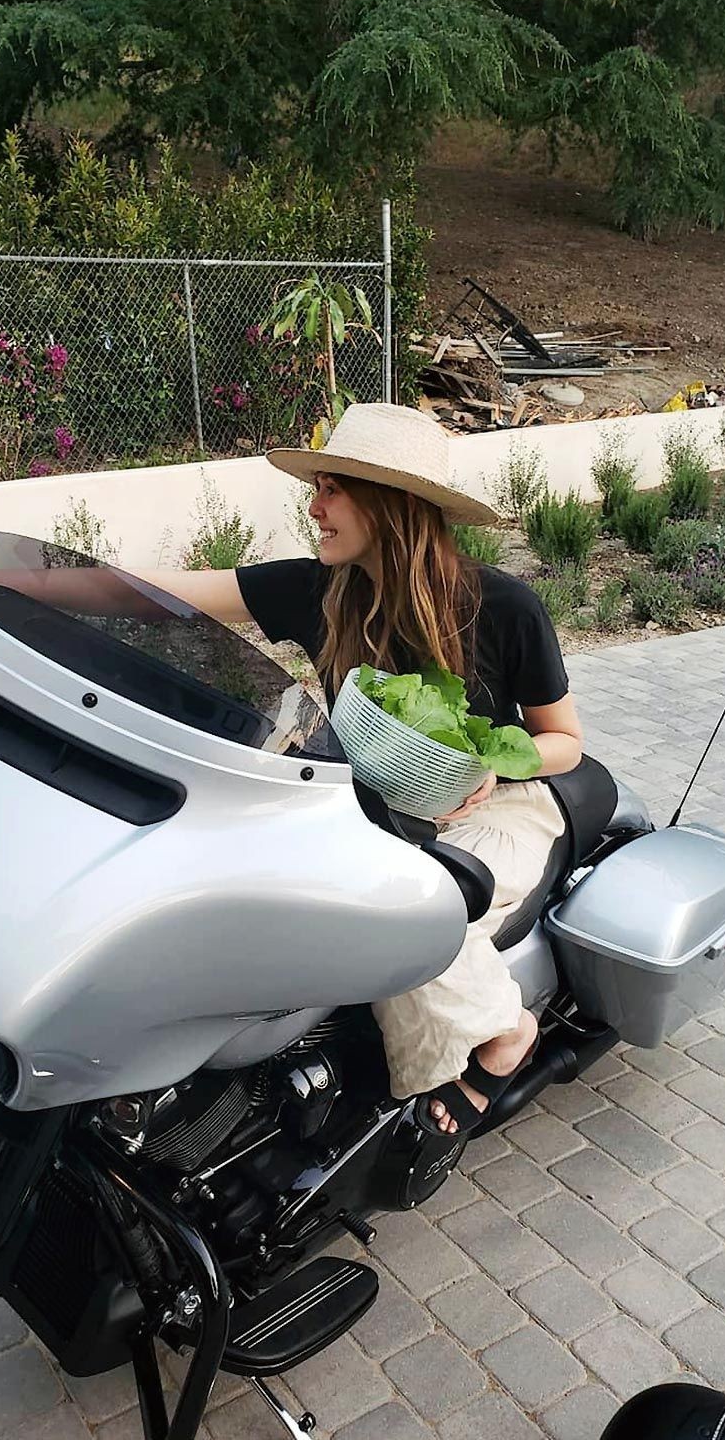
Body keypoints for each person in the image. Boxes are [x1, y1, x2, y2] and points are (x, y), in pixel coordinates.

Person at [140, 402, 584, 1136]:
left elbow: (564, 741)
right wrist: (24, 578)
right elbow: (171, 593)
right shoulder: (319, 590)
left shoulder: (504, 606)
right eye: (316, 489)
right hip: (363, 806)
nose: (314, 507)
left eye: (332, 489)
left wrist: (490, 764)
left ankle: (506, 1033)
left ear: (390, 503)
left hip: (495, 808)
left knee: (413, 911)